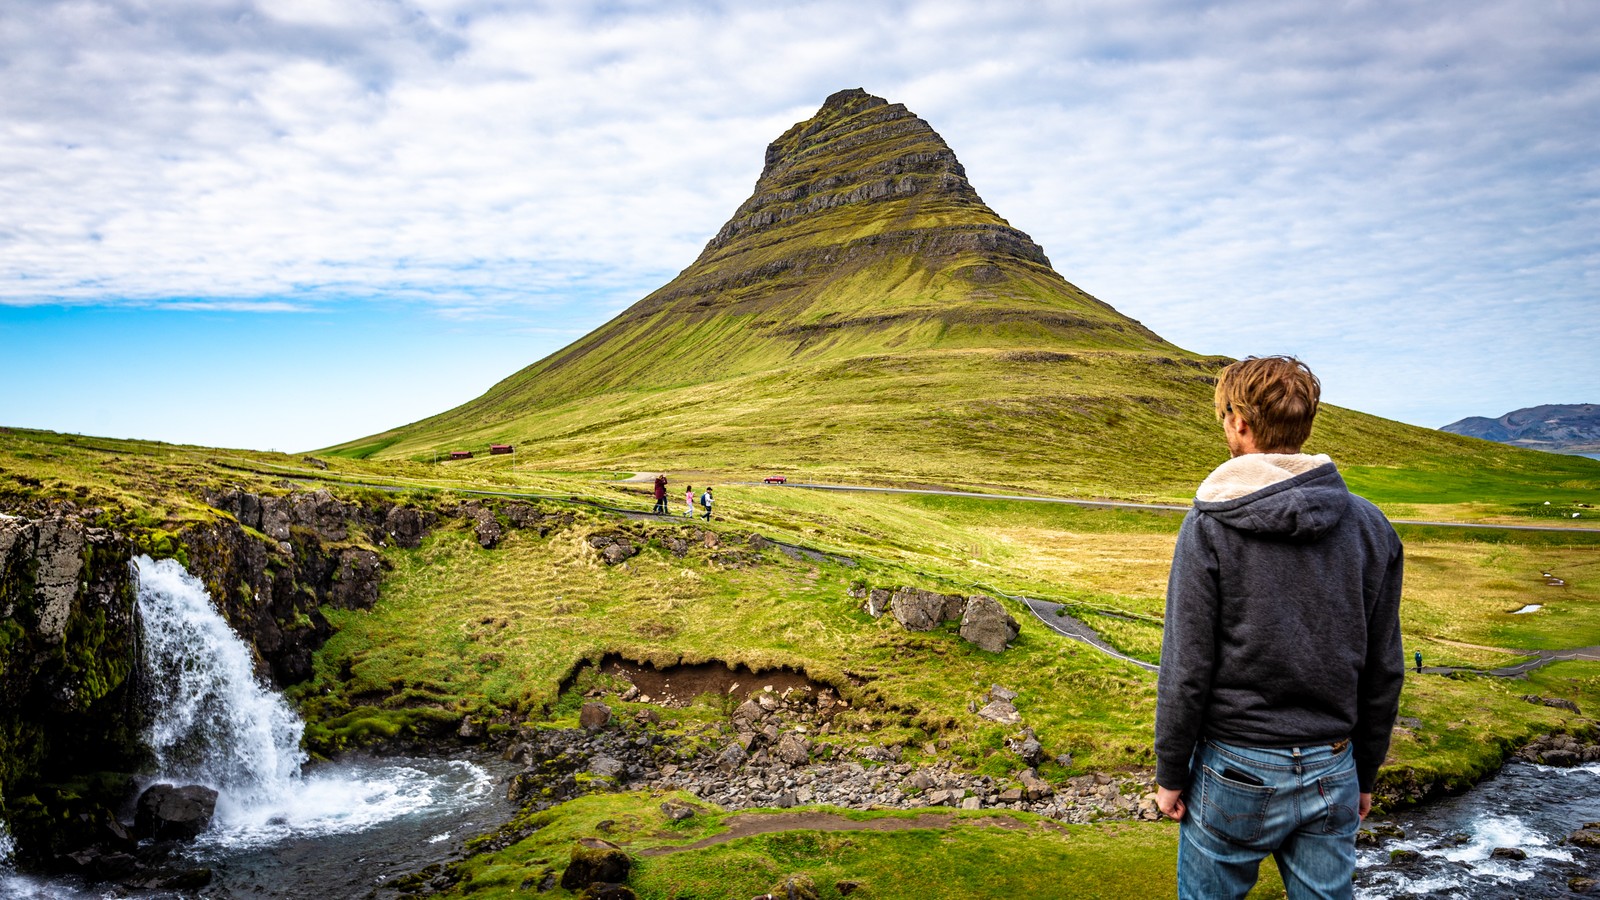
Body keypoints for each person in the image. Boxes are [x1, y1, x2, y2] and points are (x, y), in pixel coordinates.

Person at [1154, 355, 1405, 900]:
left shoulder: (1208, 525)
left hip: (1235, 764)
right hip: (1333, 763)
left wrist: (1171, 772)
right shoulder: (1369, 525)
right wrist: (1365, 770)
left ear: (1239, 422)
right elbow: (1385, 667)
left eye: (1223, 415)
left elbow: (1186, 666)